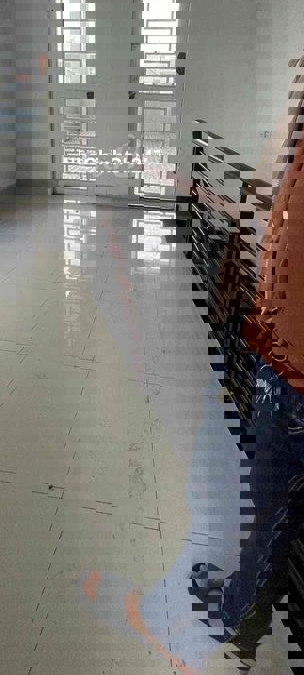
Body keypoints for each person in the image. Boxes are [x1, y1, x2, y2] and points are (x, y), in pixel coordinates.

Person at [191, 81, 304, 663]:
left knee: (272, 507)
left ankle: (239, 614)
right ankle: (241, 610)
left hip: (293, 373)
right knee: (268, 505)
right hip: (278, 359)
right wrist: (230, 206)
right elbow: (275, 207)